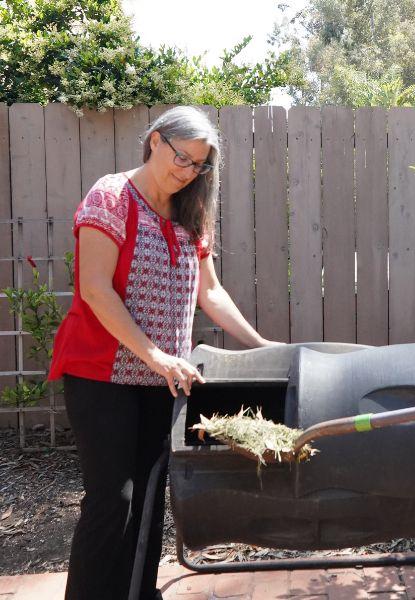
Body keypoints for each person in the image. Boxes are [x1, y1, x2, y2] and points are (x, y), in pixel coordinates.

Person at [49, 106, 279, 600]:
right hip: (100, 375)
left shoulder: (191, 214)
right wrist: (155, 354)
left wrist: (262, 346)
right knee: (113, 501)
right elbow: (94, 289)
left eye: (199, 164)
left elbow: (210, 292)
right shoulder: (110, 197)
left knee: (151, 500)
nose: (188, 171)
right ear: (154, 141)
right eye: (182, 157)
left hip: (162, 381)